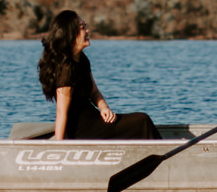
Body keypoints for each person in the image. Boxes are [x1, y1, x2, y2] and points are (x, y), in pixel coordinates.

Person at [37, 9, 161, 142]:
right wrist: (59, 145)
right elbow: (61, 112)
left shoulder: (82, 60)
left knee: (141, 120)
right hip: (82, 131)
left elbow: (94, 92)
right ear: (71, 34)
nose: (87, 31)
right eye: (82, 28)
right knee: (142, 120)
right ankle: (162, 156)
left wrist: (104, 108)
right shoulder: (66, 70)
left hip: (95, 120)